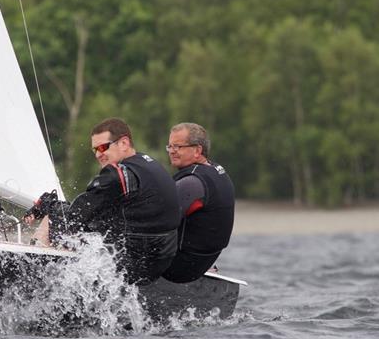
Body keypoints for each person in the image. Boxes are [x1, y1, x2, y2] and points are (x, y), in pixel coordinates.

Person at [26, 118, 180, 285]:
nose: (98, 154)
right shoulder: (149, 164)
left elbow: (73, 217)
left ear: (124, 143)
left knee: (55, 217)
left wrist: (47, 204)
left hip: (131, 263)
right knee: (80, 223)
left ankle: (34, 281)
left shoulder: (117, 175)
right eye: (95, 150)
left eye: (102, 147)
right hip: (158, 261)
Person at [162, 122, 235, 283]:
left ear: (197, 150)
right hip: (203, 262)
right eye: (170, 146)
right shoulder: (216, 171)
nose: (172, 151)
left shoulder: (192, 183)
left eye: (178, 147)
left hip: (179, 270)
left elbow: (157, 219)